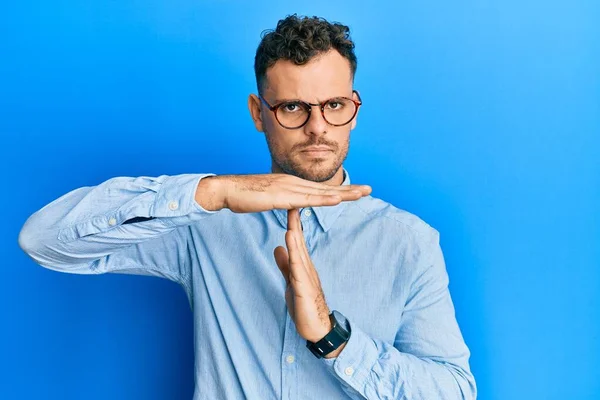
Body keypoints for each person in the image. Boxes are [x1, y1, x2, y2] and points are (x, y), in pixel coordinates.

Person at [18, 14, 476, 400]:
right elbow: (42, 240)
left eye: (334, 105)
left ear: (354, 108)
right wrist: (212, 194)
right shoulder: (202, 223)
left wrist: (334, 338)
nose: (318, 128)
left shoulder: (409, 241)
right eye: (294, 107)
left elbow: (454, 390)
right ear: (259, 113)